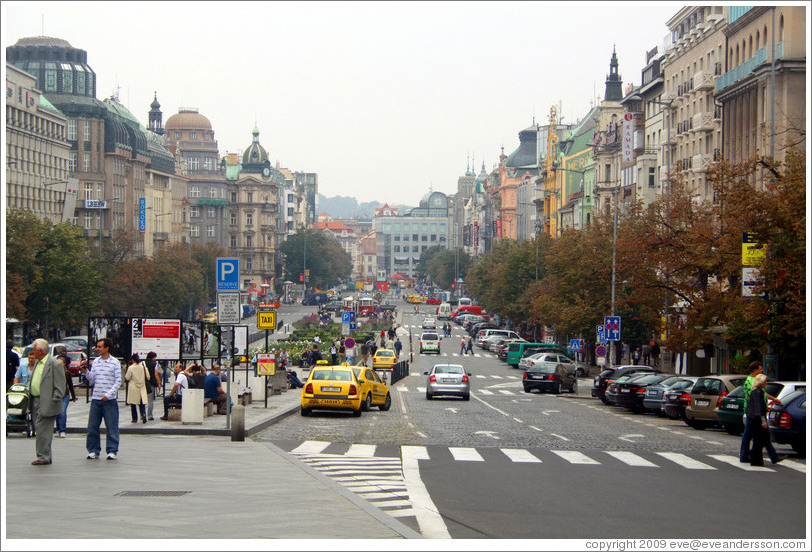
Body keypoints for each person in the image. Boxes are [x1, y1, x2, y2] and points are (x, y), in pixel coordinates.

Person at [79, 337, 121, 460]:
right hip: (96, 399)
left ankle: (112, 450)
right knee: (92, 426)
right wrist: (85, 372)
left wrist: (108, 394)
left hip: (109, 400)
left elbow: (118, 381)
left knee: (111, 426)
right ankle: (93, 450)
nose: (97, 349)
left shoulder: (115, 362)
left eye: (99, 347)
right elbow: (92, 379)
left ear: (107, 348)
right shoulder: (96, 362)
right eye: (97, 346)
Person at [28, 339, 66, 465]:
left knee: (44, 431)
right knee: (39, 430)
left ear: (39, 351)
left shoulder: (54, 364)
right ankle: (44, 455)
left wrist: (54, 399)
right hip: (35, 400)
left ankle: (43, 457)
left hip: (47, 402)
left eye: (34, 349)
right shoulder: (38, 363)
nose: (32, 352)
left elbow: (60, 385)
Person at [740, 362, 782, 464]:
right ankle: (745, 456)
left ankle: (773, 456)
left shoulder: (757, 382)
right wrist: (760, 416)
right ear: (755, 370)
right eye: (760, 369)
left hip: (755, 413)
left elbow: (762, 392)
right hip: (754, 414)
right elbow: (754, 397)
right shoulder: (751, 381)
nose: (761, 371)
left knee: (757, 435)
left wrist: (773, 399)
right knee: (757, 435)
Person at [54, 353, 77, 438]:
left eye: (61, 363)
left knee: (62, 412)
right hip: (56, 395)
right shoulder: (53, 373)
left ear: (64, 364)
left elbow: (70, 385)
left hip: (65, 395)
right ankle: (58, 429)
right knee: (57, 413)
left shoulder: (67, 373)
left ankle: (62, 430)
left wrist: (73, 396)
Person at [124, 354, 149, 424]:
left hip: (133, 387)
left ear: (132, 360)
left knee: (133, 404)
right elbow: (148, 376)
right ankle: (143, 413)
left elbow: (127, 377)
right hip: (142, 386)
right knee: (141, 403)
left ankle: (134, 419)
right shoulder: (143, 367)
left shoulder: (131, 368)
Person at [144, 352, 160, 420]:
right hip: (151, 383)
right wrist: (158, 383)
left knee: (143, 400)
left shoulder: (143, 363)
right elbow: (155, 374)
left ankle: (143, 413)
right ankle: (150, 415)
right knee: (150, 400)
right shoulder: (154, 364)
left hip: (144, 383)